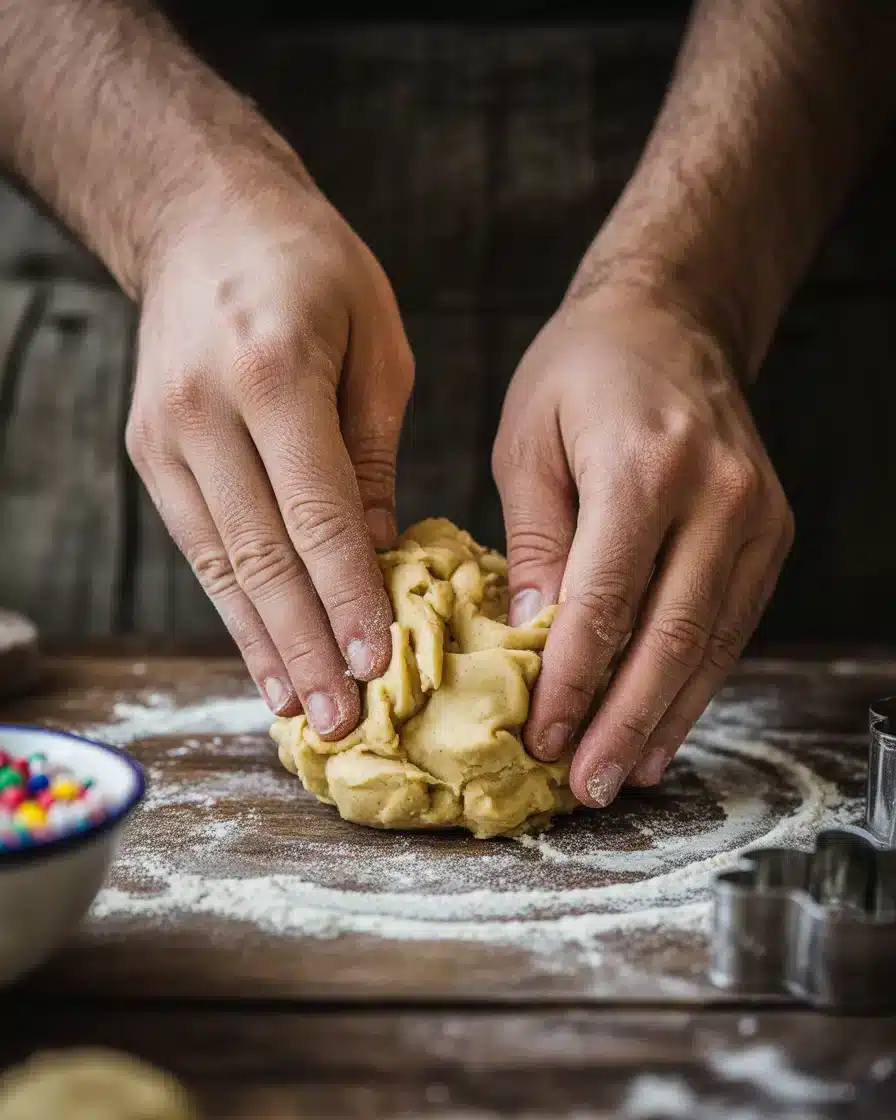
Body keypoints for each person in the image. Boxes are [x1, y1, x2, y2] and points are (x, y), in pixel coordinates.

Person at [1, 1, 892, 808]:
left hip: (752, 190)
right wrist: (172, 191)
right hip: (150, 240)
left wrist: (691, 283)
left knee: (690, 635)